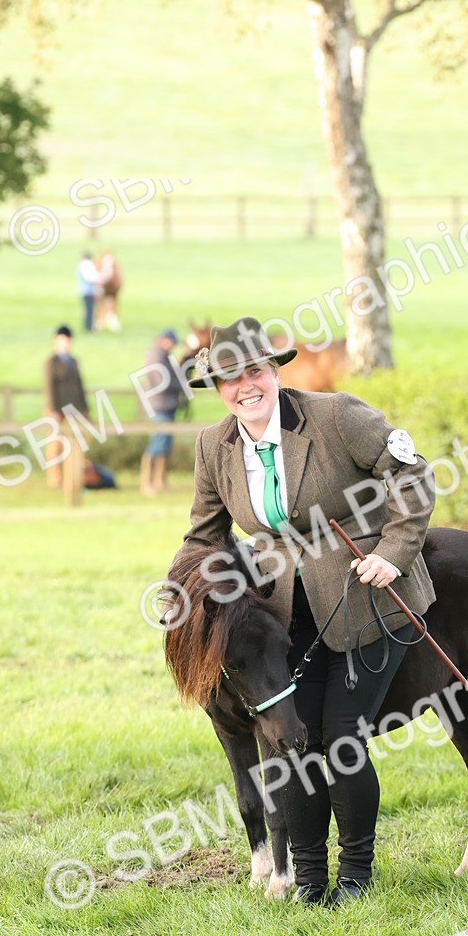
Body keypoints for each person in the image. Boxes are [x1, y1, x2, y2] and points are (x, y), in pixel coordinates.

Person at [174, 317, 436, 905]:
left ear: (274, 370)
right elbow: (203, 538)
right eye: (230, 379)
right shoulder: (213, 446)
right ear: (217, 388)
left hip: (367, 597)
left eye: (255, 372)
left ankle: (358, 877)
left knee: (342, 739)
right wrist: (177, 590)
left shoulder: (336, 415)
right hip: (285, 620)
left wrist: (393, 553)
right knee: (296, 745)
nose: (246, 387)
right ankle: (311, 881)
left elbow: (413, 476)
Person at [139, 328, 187, 496]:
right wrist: (181, 386)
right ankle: (147, 483)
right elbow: (163, 382)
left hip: (165, 405)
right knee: (157, 443)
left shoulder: (162, 356)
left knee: (164, 444)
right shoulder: (156, 356)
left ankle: (159, 481)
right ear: (165, 340)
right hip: (159, 406)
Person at [43, 326, 89, 489]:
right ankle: (54, 478)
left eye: (68, 340)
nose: (66, 343)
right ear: (56, 341)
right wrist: (54, 410)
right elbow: (50, 387)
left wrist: (84, 409)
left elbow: (79, 386)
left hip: (73, 409)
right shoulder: (51, 362)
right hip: (57, 409)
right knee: (56, 444)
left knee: (74, 444)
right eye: (62, 339)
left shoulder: (73, 361)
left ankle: (71, 476)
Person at [75, 253, 101, 332]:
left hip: (83, 291)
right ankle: (89, 327)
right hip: (89, 292)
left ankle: (87, 325)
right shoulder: (86, 265)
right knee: (90, 310)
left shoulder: (80, 266)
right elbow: (91, 278)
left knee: (88, 310)